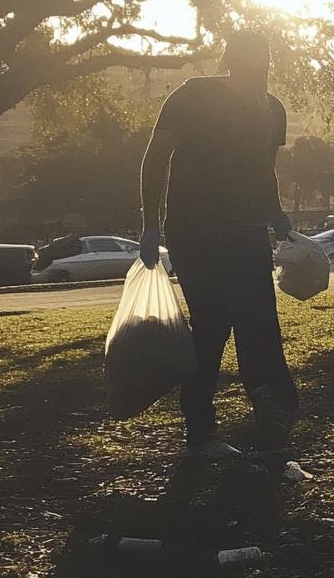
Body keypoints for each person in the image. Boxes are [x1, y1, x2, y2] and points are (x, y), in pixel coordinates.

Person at [138, 31, 296, 458]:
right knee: (211, 323)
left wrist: (277, 215)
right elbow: (156, 158)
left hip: (246, 231)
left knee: (258, 321)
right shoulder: (193, 96)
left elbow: (266, 170)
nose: (258, 69)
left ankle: (271, 413)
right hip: (195, 231)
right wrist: (150, 226)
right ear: (232, 60)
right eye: (251, 61)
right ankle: (201, 428)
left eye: (264, 60)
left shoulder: (270, 109)